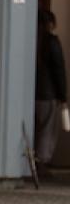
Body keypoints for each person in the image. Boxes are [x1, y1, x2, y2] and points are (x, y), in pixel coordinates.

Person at [35, 9, 67, 171]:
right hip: (49, 94)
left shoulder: (33, 40)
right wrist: (63, 95)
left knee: (36, 129)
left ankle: (34, 161)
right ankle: (42, 162)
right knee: (48, 131)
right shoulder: (51, 42)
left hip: (34, 94)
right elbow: (58, 70)